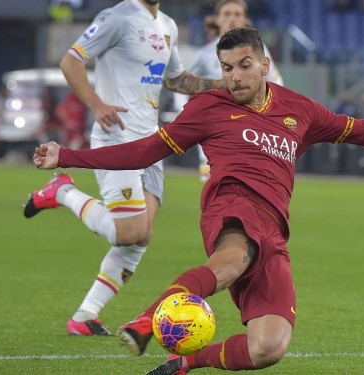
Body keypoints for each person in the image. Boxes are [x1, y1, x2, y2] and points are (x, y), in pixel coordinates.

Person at [32, 28, 364, 374]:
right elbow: (141, 152)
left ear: (265, 65)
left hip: (274, 229)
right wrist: (66, 155)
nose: (235, 77)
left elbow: (363, 131)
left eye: (244, 66)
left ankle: (184, 364)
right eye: (227, 68)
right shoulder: (207, 107)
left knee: (268, 348)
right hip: (230, 206)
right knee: (231, 260)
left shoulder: (298, 110)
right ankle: (149, 319)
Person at [23, 0, 225, 337]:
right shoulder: (117, 18)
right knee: (128, 232)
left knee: (141, 236)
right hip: (116, 137)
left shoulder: (168, 26)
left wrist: (222, 87)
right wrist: (97, 104)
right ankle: (62, 191)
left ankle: (85, 315)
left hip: (153, 144)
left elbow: (176, 80)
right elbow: (71, 61)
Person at [187, 0, 284, 182]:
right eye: (227, 14)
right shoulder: (204, 56)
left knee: (250, 190)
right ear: (217, 19)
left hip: (250, 132)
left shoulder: (259, 53)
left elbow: (277, 83)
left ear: (246, 21)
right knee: (215, 190)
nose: (232, 18)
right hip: (213, 132)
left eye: (237, 14)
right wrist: (184, 115)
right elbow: (183, 86)